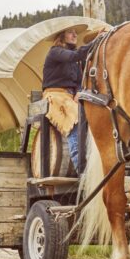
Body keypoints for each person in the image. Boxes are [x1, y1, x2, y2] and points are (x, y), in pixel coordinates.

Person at [41, 25, 95, 170]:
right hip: (55, 95)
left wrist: (78, 91)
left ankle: (92, 165)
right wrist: (95, 42)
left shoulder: (75, 62)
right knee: (75, 122)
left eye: (75, 33)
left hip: (70, 97)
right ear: (61, 36)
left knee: (94, 115)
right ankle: (81, 171)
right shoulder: (55, 52)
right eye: (70, 32)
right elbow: (74, 55)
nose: (74, 35)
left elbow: (78, 82)